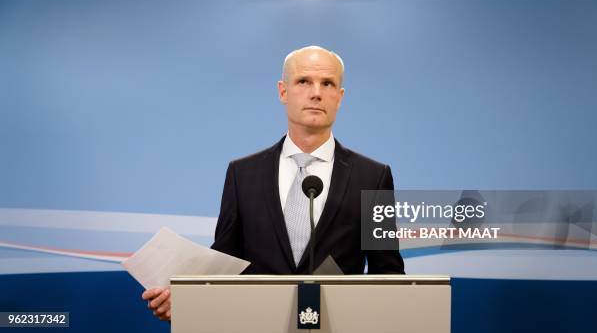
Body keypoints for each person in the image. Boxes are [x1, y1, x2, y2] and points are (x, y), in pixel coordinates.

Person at [142, 46, 404, 321]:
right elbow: (225, 263)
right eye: (304, 81)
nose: (316, 93)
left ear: (339, 97)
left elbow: (387, 273)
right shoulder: (242, 175)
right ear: (283, 91)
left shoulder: (373, 177)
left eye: (328, 83)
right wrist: (186, 302)